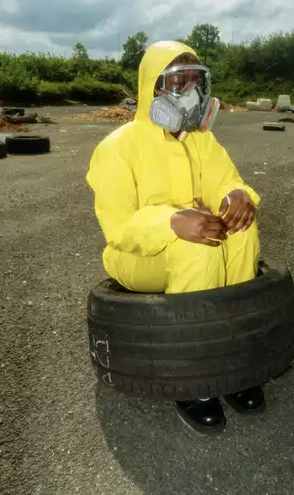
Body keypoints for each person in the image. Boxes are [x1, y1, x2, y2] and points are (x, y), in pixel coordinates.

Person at [86, 41, 263, 435]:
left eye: (196, 81)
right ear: (153, 87)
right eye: (176, 81)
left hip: (185, 244)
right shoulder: (117, 148)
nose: (190, 92)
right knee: (196, 250)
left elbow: (227, 181)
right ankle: (193, 380)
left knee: (242, 233)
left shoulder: (202, 140)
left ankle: (235, 364)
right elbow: (118, 229)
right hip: (133, 256)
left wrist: (239, 196)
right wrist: (170, 222)